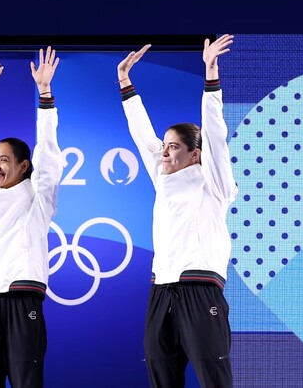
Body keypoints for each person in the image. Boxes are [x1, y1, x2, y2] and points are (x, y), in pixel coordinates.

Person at [116, 35, 238, 388]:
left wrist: (211, 74)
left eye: (173, 147)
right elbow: (141, 134)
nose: (164, 153)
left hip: (200, 288)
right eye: (164, 146)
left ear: (195, 154)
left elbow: (215, 134)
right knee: (161, 377)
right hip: (161, 290)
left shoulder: (213, 182)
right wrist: (125, 82)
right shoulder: (163, 178)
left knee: (214, 380)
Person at [0, 47, 63, 388]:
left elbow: (49, 154)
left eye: (4, 160)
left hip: (22, 302)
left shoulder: (38, 199)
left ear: (23, 166)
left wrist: (45, 94)